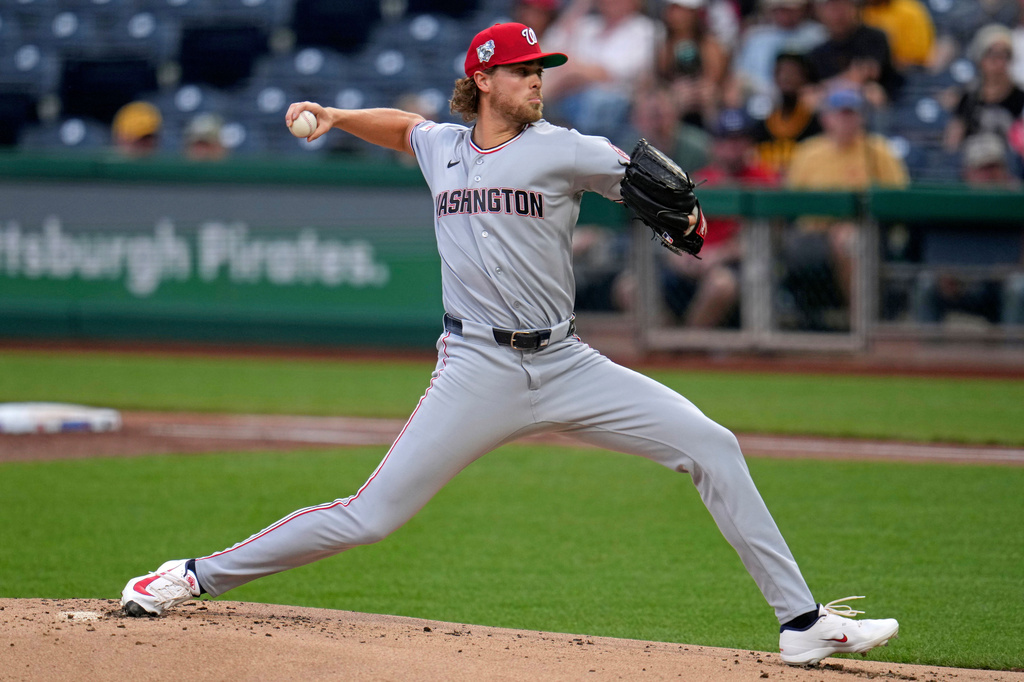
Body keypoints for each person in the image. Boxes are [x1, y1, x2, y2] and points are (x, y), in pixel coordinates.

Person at [119, 22, 900, 668]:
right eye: (525, 70)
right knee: (371, 516)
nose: (537, 79)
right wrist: (335, 116)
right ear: (484, 80)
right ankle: (190, 576)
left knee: (712, 445)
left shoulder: (562, 147)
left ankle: (801, 622)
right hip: (476, 368)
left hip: (566, 363)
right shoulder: (445, 150)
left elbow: (646, 183)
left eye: (540, 69)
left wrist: (686, 219)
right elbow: (406, 129)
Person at [784, 85, 907, 329]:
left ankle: (860, 325)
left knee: (847, 238)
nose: (847, 120)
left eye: (852, 113)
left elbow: (899, 199)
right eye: (841, 113)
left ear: (862, 116)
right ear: (826, 118)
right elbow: (789, 204)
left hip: (868, 234)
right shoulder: (808, 152)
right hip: (812, 237)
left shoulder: (878, 151)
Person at [658, 108, 779, 327]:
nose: (732, 147)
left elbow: (769, 239)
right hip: (690, 266)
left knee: (720, 284)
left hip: (737, 267)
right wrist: (679, 255)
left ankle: (687, 345)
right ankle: (664, 346)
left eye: (739, 140)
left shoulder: (765, 179)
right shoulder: (697, 180)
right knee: (630, 287)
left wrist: (717, 256)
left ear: (749, 143)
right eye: (726, 140)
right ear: (715, 144)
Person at [912, 132, 1024, 327]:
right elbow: (931, 253)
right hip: (959, 286)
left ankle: (1014, 356)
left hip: (1003, 286)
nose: (990, 174)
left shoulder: (1017, 200)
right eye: (983, 168)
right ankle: (927, 356)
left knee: (1018, 287)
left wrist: (1012, 270)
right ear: (967, 172)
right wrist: (943, 272)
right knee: (926, 283)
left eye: (995, 167)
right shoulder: (951, 201)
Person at [540, 0, 660, 146]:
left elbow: (616, 72)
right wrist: (580, 6)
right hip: (569, 98)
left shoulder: (644, 29)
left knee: (596, 100)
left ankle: (537, 101)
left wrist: (574, 71)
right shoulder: (589, 25)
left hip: (616, 106)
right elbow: (549, 48)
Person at [943, 24, 1024, 157]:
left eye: (1004, 56)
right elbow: (953, 142)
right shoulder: (969, 96)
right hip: (974, 164)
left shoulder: (1020, 96)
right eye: (993, 55)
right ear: (980, 58)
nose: (999, 63)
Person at [806, 0, 903, 106]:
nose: (837, 15)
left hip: (872, 102)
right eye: (831, 9)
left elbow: (869, 73)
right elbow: (811, 87)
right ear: (820, 13)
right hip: (831, 107)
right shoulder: (818, 51)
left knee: (873, 92)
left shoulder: (874, 37)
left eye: (842, 7)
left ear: (854, 9)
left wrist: (827, 86)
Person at [656, 0, 731, 130]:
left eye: (683, 10)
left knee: (709, 95)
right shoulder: (663, 46)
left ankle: (714, 137)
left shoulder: (710, 44)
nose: (677, 15)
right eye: (674, 10)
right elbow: (661, 79)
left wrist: (699, 90)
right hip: (676, 96)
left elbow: (714, 79)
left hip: (706, 98)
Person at [731, 0, 827, 98]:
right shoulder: (755, 37)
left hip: (803, 99)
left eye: (788, 9)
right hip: (759, 100)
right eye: (779, 9)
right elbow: (739, 76)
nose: (783, 14)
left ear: (802, 9)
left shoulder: (818, 35)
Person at [752, 51, 824, 174]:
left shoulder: (816, 123)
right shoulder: (763, 123)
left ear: (805, 77)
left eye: (792, 72)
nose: (786, 77)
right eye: (781, 72)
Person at [859, 0, 935, 70]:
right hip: (862, 69)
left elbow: (915, 57)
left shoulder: (909, 11)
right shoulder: (858, 11)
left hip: (906, 73)